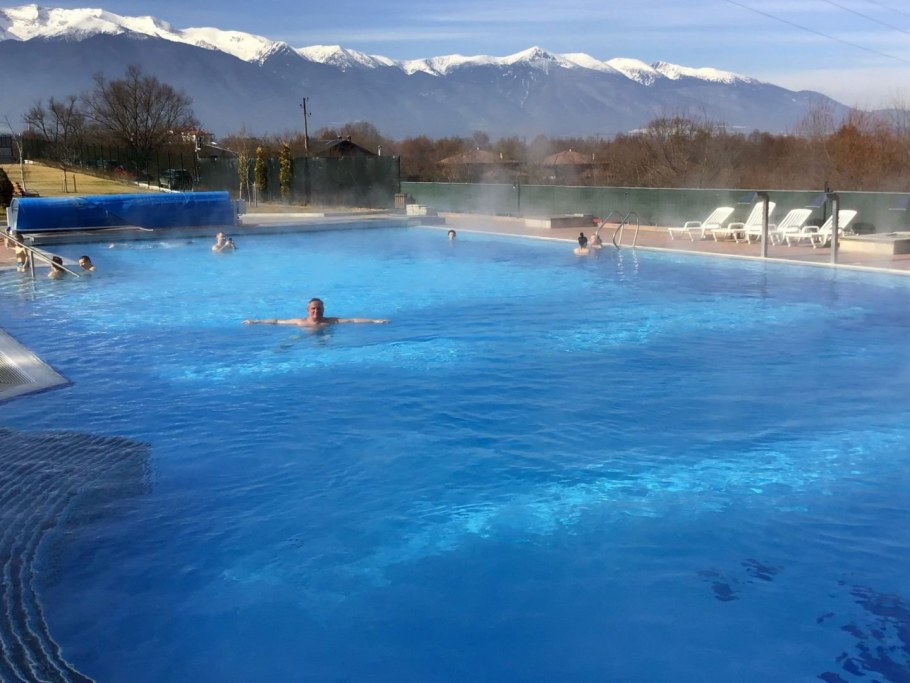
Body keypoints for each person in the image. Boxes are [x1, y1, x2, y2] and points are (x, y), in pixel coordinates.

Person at [244, 297, 389, 327]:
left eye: (319, 308)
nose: (316, 311)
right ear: (308, 310)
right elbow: (276, 321)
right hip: (303, 334)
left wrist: (376, 320)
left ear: (323, 310)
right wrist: (255, 321)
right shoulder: (300, 322)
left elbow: (353, 320)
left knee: (325, 342)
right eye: (313, 308)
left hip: (324, 334)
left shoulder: (330, 321)